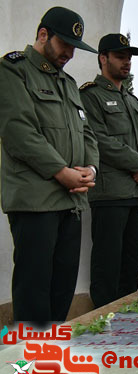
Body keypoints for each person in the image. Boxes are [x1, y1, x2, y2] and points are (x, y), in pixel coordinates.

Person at [0, 6, 99, 323]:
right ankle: (27, 358)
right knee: (34, 293)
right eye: (65, 44)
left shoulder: (68, 83)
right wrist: (61, 172)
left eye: (74, 47)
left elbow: (87, 134)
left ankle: (51, 352)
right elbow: (18, 131)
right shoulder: (13, 70)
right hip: (35, 201)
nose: (70, 53)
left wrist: (90, 169)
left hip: (71, 202)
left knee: (61, 292)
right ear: (43, 35)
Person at [79, 33, 138, 308]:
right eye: (120, 57)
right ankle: (103, 322)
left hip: (135, 194)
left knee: (131, 265)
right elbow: (99, 140)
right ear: (103, 58)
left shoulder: (131, 100)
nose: (127, 63)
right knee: (107, 266)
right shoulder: (90, 95)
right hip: (109, 194)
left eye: (129, 58)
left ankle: (128, 322)